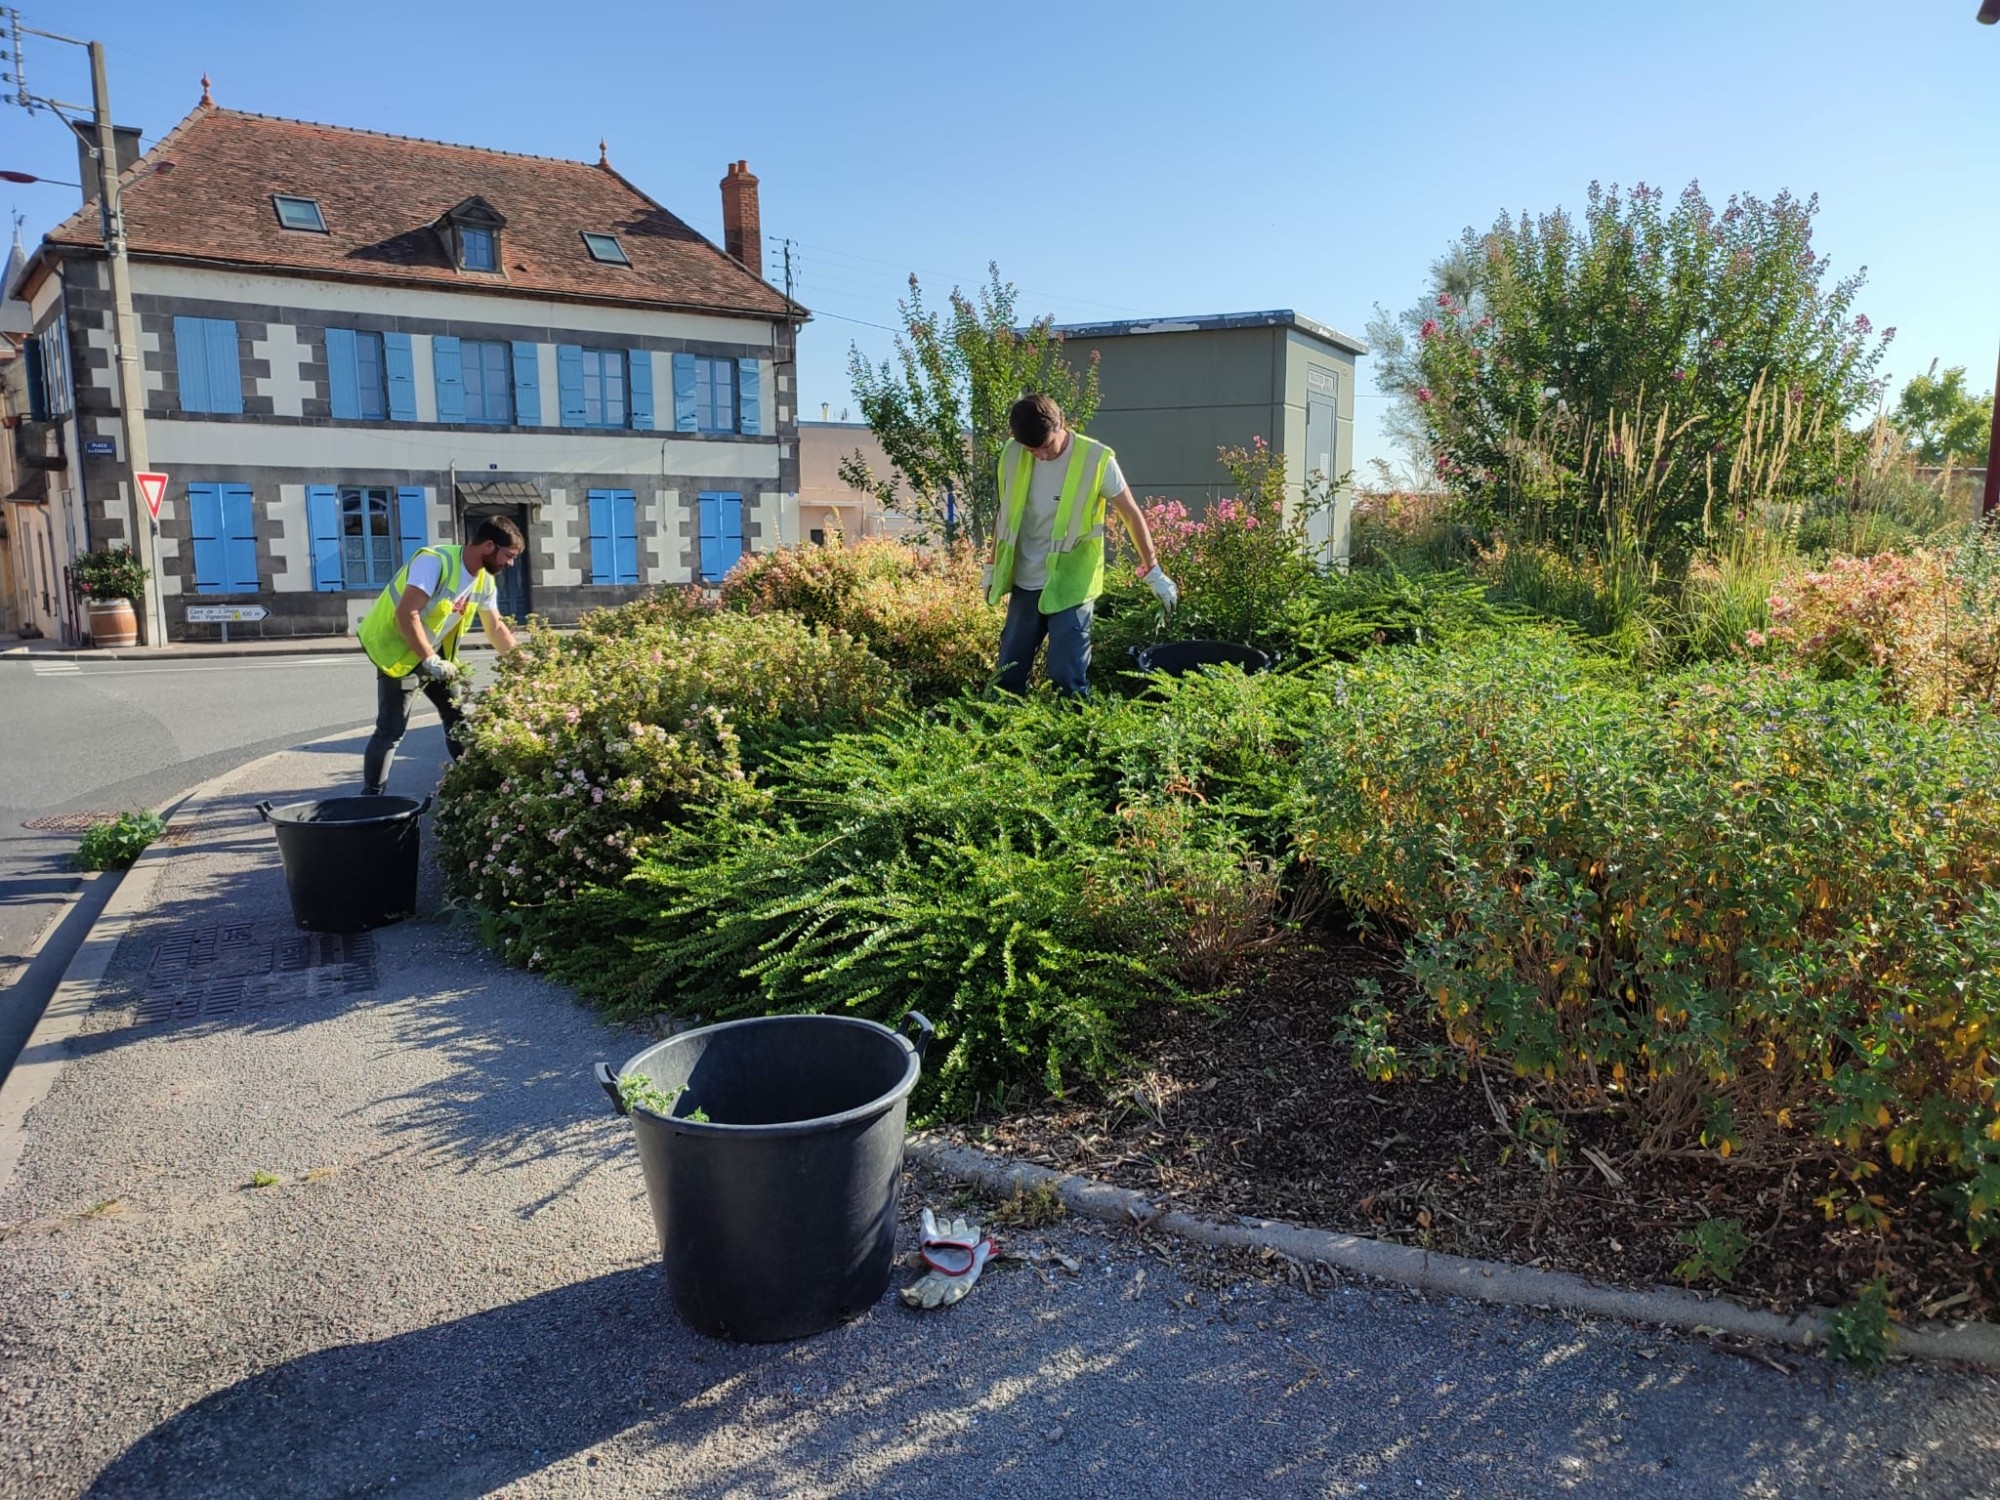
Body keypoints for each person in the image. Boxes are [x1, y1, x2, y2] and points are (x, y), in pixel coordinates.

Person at [985, 394, 1177, 694]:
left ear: (1061, 425)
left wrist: (1152, 569)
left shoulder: (1096, 459)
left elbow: (1130, 513)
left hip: (1072, 583)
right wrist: (990, 565)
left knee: (1066, 675)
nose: (1040, 456)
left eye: (1045, 447)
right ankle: (1004, 732)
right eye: (1031, 450)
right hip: (1026, 578)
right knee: (1008, 673)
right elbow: (1005, 513)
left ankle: (1076, 734)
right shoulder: (1012, 454)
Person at [357, 515, 524, 796]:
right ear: (488, 546)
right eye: (508, 556)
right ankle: (372, 798)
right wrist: (429, 659)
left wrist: (521, 662)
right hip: (398, 651)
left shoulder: (484, 581)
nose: (510, 564)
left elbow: (495, 626)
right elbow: (406, 613)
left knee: (458, 719)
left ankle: (473, 786)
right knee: (391, 731)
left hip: (435, 658)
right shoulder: (434, 561)